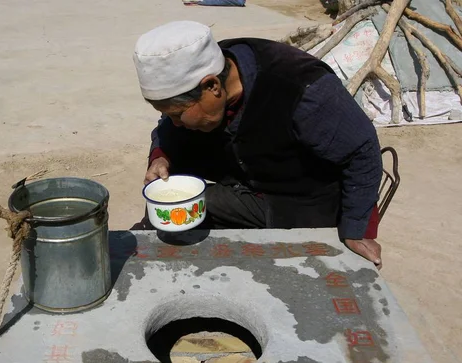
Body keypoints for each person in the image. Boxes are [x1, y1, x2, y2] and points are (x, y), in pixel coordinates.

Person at [132, 21, 384, 268]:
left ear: (212, 86)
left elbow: (362, 149)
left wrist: (357, 227)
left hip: (298, 200)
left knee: (192, 210)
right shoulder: (213, 66)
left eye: (178, 114)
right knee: (167, 198)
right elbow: (167, 125)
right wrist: (160, 156)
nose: (173, 123)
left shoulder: (302, 89)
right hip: (246, 168)